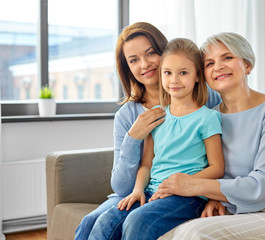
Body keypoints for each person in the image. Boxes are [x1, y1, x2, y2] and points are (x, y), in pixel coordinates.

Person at [75, 22, 265, 240]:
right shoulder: (131, 115)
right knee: (93, 223)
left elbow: (240, 102)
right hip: (164, 191)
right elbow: (130, 179)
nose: (144, 64)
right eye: (134, 60)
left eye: (150, 53)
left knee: (154, 224)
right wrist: (134, 138)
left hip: (243, 201)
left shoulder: (208, 106)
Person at [153, 32, 265, 240]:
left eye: (227, 57)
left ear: (247, 65)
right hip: (232, 211)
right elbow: (212, 169)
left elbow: (263, 185)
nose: (218, 67)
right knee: (160, 234)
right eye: (209, 63)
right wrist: (217, 198)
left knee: (195, 233)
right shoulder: (209, 117)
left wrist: (193, 185)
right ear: (202, 75)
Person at [88, 38, 225, 239]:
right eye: (167, 73)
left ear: (197, 76)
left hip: (188, 196)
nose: (174, 80)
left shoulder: (207, 117)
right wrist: (137, 190)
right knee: (105, 221)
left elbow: (217, 167)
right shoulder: (156, 115)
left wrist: (183, 182)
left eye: (183, 73)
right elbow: (146, 165)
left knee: (138, 221)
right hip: (152, 191)